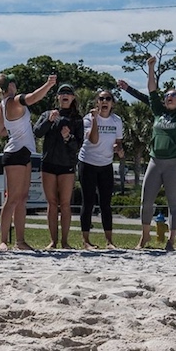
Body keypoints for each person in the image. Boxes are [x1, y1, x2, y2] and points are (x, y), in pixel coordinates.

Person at [119, 77, 176, 249]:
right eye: (167, 94)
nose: (169, 96)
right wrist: (151, 68)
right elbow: (151, 94)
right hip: (156, 160)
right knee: (146, 201)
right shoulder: (159, 112)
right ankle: (145, 237)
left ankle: (172, 240)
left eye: (174, 95)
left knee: (174, 203)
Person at [0, 72, 57, 251]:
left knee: (21, 198)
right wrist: (49, 84)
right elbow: (34, 97)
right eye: (14, 83)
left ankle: (19, 241)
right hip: (16, 153)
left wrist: (14, 131)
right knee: (12, 198)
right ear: (10, 86)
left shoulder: (2, 107)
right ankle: (3, 241)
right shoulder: (15, 100)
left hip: (22, 151)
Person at [34, 83, 84, 249]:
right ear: (57, 97)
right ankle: (53, 241)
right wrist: (49, 121)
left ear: (73, 98)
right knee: (52, 203)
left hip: (67, 165)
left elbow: (79, 144)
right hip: (48, 164)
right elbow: (37, 132)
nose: (65, 95)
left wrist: (68, 137)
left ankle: (65, 241)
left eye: (68, 93)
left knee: (65, 203)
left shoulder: (77, 119)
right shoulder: (48, 114)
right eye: (62, 93)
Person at [78, 89, 124, 249]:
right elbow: (94, 139)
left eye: (108, 99)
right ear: (97, 102)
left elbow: (118, 142)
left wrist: (119, 149)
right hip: (88, 163)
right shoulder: (88, 119)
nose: (105, 101)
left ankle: (109, 241)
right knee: (88, 202)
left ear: (112, 103)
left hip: (106, 165)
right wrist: (95, 120)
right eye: (101, 99)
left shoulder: (117, 121)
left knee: (106, 204)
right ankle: (86, 241)